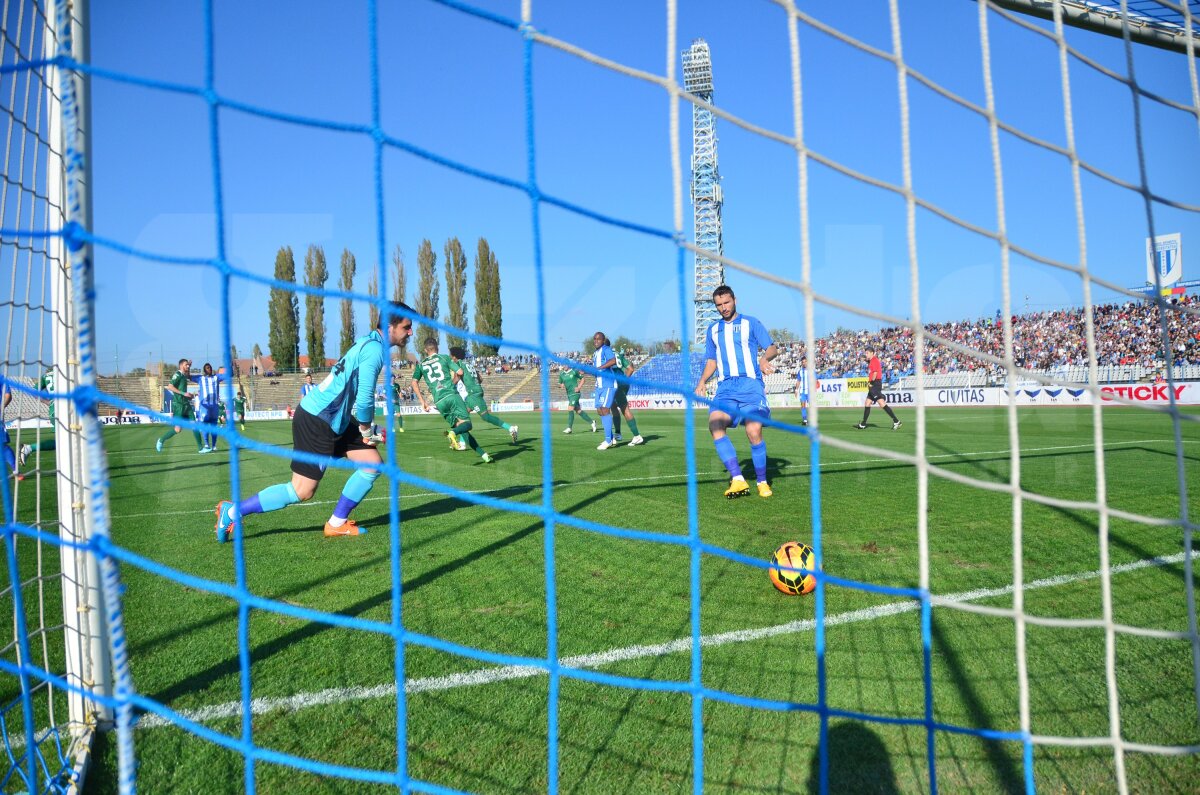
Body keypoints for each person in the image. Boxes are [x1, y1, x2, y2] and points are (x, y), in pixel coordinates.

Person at [215, 303, 416, 541]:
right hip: (318, 419)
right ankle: (233, 511)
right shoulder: (373, 350)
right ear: (390, 326)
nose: (411, 332)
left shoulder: (368, 343)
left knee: (371, 464)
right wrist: (366, 430)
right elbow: (363, 401)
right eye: (407, 327)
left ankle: (336, 523)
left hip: (335, 419)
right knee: (301, 491)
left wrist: (366, 430)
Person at [693, 285, 778, 498]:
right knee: (715, 423)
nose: (723, 308)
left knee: (753, 430)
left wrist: (764, 358)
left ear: (735, 300)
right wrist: (702, 380)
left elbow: (772, 348)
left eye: (727, 303)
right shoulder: (713, 329)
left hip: (751, 386)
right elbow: (712, 360)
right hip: (726, 389)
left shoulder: (751, 323)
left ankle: (762, 481)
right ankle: (738, 479)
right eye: (719, 305)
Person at [412, 337, 493, 463]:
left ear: (424, 350)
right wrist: (453, 379)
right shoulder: (444, 357)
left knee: (463, 430)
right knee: (467, 425)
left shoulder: (421, 365)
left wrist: (423, 402)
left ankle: (484, 455)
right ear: (437, 347)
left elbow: (414, 383)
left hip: (439, 402)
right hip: (451, 395)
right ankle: (453, 433)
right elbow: (460, 372)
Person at [449, 346, 518, 443]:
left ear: (455, 357)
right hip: (474, 392)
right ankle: (462, 443)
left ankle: (511, 428)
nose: (451, 358)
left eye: (451, 356)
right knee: (463, 416)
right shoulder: (469, 364)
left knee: (486, 417)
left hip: (473, 394)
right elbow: (480, 379)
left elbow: (456, 379)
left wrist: (447, 388)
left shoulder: (459, 364)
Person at [156, 358, 203, 453]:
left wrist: (188, 395)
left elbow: (187, 373)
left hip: (186, 404)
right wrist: (183, 393)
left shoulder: (183, 375)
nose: (188, 366)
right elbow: (170, 386)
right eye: (186, 365)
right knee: (178, 429)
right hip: (178, 406)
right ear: (181, 365)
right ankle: (161, 440)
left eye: (188, 365)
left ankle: (201, 448)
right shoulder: (177, 374)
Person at [18, 368, 57, 467]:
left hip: (54, 410)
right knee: (65, 441)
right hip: (64, 410)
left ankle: (29, 448)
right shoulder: (66, 373)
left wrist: (48, 402)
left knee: (62, 442)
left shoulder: (46, 376)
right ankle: (29, 448)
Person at [856, 348, 902, 430]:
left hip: (875, 384)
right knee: (867, 403)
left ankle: (896, 421)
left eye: (867, 353)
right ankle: (863, 424)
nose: (866, 354)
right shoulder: (872, 361)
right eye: (865, 353)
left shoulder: (874, 360)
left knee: (881, 403)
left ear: (872, 353)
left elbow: (875, 372)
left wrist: (871, 383)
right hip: (874, 384)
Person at [609, 344, 644, 446]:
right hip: (621, 384)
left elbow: (631, 369)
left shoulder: (605, 356)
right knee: (614, 407)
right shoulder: (617, 354)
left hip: (617, 385)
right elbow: (630, 368)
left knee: (624, 409)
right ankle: (618, 433)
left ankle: (637, 436)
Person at [591, 332, 620, 450]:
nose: (596, 341)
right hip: (599, 385)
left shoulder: (606, 349)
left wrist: (599, 368)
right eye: (594, 339)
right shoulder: (595, 354)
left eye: (598, 339)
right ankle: (612, 438)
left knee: (605, 409)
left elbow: (613, 361)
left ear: (603, 341)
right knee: (599, 410)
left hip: (608, 384)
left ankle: (608, 440)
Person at [557, 364, 596, 434]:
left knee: (570, 408)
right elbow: (559, 384)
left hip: (575, 394)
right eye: (563, 364)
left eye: (566, 364)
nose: (564, 366)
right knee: (578, 411)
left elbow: (583, 379)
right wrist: (560, 385)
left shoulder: (574, 371)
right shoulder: (561, 374)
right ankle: (592, 422)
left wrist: (579, 387)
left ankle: (569, 428)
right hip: (569, 395)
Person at [196, 362, 222, 453]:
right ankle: (207, 444)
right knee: (205, 426)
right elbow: (188, 376)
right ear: (204, 370)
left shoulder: (216, 377)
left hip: (214, 406)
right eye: (207, 368)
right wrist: (188, 367)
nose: (209, 369)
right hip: (204, 407)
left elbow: (230, 375)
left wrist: (232, 365)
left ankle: (214, 445)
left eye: (210, 367)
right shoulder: (200, 378)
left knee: (214, 427)